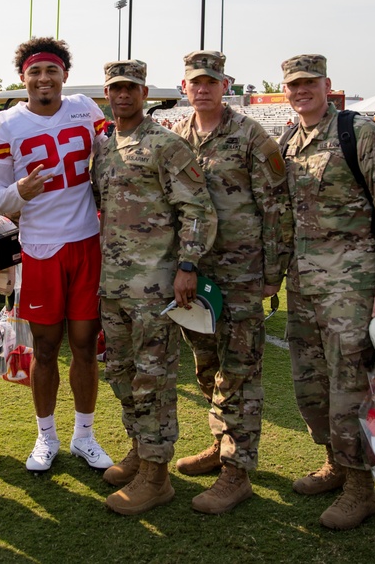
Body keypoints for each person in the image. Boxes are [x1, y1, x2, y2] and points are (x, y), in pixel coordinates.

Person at [278, 54, 375, 531]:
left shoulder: (360, 133)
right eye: (293, 84)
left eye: (309, 83)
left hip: (352, 284)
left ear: (327, 84)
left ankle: (360, 487)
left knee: (350, 387)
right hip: (304, 282)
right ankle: (334, 462)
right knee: (310, 383)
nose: (301, 91)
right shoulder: (291, 139)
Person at [92, 59, 216, 515]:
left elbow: (197, 210)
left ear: (146, 94)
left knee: (154, 379)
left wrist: (187, 266)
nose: (123, 95)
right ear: (108, 94)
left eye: (132, 88)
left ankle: (156, 476)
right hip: (115, 286)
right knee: (122, 374)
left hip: (156, 287)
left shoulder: (166, 144)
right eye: (115, 88)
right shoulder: (104, 145)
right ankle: (140, 450)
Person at [0, 37, 112, 472]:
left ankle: (84, 435)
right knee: (44, 346)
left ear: (64, 76)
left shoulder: (85, 109)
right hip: (40, 248)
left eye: (51, 70)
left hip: (87, 240)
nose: (43, 79)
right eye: (35, 72)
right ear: (23, 78)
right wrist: (18, 192)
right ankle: (46, 437)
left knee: (84, 345)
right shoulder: (5, 124)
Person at [170, 51, 291, 514]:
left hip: (241, 273)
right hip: (196, 272)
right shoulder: (178, 135)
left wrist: (270, 274)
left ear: (225, 85)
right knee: (206, 364)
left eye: (211, 81)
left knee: (239, 371)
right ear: (185, 88)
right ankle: (221, 442)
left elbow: (276, 208)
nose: (203, 89)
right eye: (195, 82)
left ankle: (237, 472)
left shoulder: (250, 136)